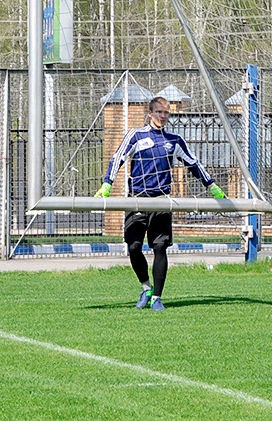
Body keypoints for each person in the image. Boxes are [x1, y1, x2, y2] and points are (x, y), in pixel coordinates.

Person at [94, 96, 226, 311]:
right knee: (134, 247)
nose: (163, 116)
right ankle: (146, 287)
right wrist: (107, 184)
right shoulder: (136, 135)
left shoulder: (174, 140)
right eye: (159, 112)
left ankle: (157, 297)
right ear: (150, 113)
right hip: (137, 199)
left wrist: (213, 187)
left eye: (166, 113)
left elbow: (194, 164)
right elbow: (117, 157)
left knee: (160, 247)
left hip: (162, 200)